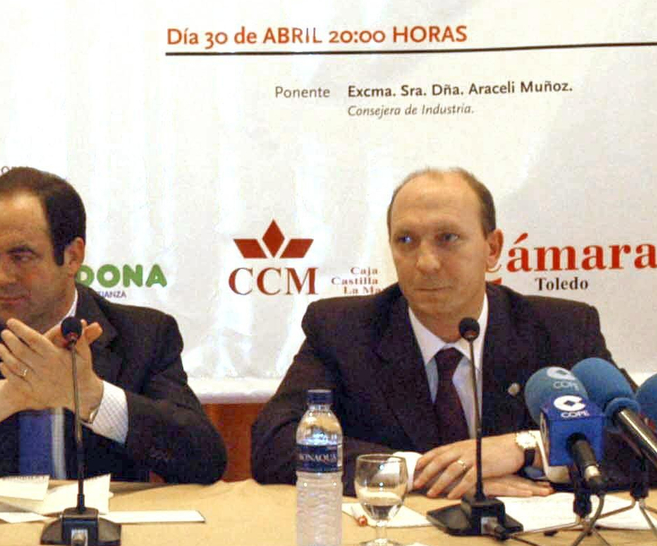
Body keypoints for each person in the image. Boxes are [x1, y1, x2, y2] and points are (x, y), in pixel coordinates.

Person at [251, 168, 610, 497]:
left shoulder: (561, 329)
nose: (425, 262)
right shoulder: (344, 330)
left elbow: (641, 443)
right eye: (406, 240)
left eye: (447, 238)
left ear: (492, 248)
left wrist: (526, 448)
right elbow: (275, 444)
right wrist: (421, 471)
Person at [0, 167, 226, 483]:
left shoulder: (142, 336)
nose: (1, 277)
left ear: (72, 256)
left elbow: (205, 460)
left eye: (22, 256)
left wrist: (90, 396)